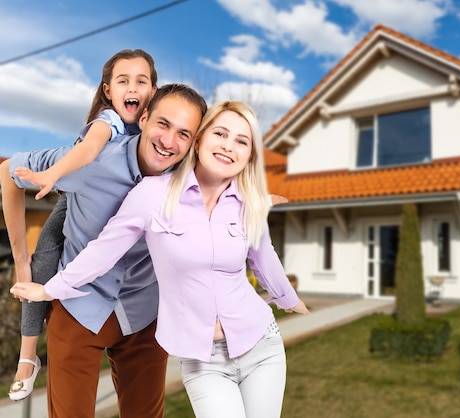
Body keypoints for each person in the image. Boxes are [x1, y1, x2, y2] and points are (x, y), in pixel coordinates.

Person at [11, 100, 311, 418]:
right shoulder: (153, 195)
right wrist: (50, 290)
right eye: (220, 134)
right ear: (200, 139)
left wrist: (289, 299)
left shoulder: (248, 203)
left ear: (249, 155)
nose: (228, 146)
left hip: (260, 343)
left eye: (241, 141)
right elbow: (104, 250)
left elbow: (264, 258)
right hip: (202, 357)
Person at [1, 82, 207, 417]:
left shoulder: (189, 184)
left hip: (145, 311)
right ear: (143, 119)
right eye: (163, 124)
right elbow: (8, 173)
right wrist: (22, 258)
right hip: (79, 304)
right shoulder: (89, 161)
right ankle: (28, 358)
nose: (169, 142)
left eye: (184, 134)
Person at [6, 48, 158, 403]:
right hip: (74, 189)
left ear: (153, 90)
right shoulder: (108, 123)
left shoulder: (162, 135)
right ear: (108, 90)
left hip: (140, 304)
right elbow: (89, 150)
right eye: (123, 80)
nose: (132, 87)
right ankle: (28, 357)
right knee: (41, 261)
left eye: (142, 80)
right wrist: (53, 176)